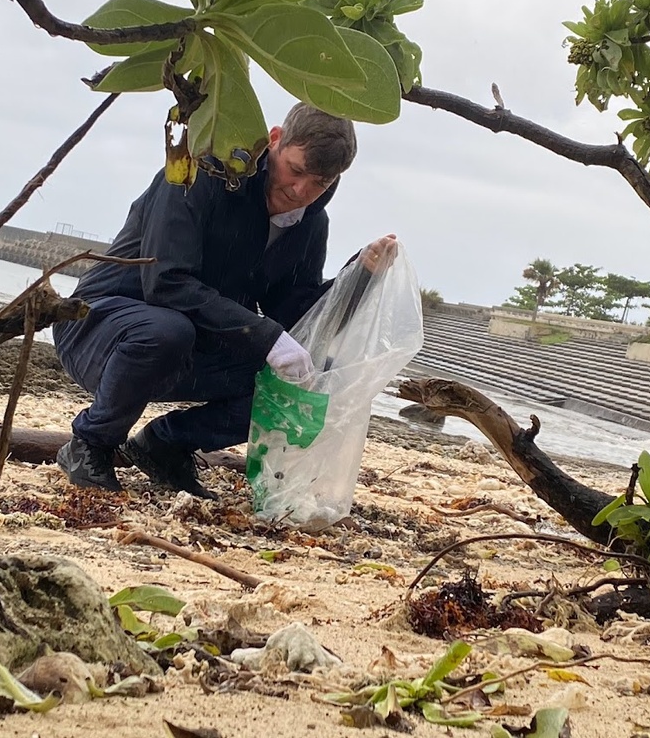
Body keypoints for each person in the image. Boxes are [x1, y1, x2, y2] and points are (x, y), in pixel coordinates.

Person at [52, 102, 398, 497]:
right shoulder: (202, 173)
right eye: (295, 171)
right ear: (274, 140)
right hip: (99, 327)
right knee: (168, 329)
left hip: (191, 346)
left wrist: (358, 278)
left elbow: (295, 314)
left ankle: (166, 444)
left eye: (319, 183)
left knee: (311, 372)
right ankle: (89, 442)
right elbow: (166, 282)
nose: (300, 191)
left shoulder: (310, 222)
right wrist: (267, 337)